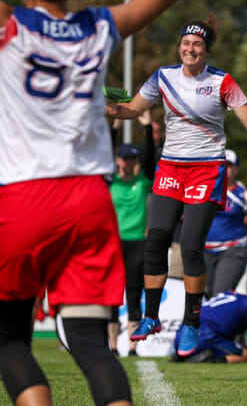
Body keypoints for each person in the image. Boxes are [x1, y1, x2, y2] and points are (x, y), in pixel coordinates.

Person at [0, 0, 238, 405]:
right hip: (89, 202)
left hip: (24, 200)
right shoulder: (99, 25)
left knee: (8, 338)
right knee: (92, 343)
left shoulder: (8, 26)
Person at [111, 15, 247, 360]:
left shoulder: (222, 82)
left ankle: (191, 321)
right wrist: (93, 104)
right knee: (156, 239)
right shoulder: (163, 77)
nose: (190, 49)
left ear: (205, 50)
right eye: (186, 43)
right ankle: (151, 318)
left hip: (206, 170)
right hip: (170, 166)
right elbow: (129, 110)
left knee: (190, 246)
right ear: (180, 47)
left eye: (197, 45)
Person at [108, 132, 155, 356]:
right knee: (112, 296)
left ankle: (133, 347)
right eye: (125, 159)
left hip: (137, 242)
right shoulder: (111, 182)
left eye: (133, 159)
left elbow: (150, 158)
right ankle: (114, 347)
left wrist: (146, 128)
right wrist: (115, 127)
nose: (129, 163)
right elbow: (106, 150)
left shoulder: (143, 182)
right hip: (114, 244)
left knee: (134, 294)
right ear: (118, 160)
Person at [204, 149, 247, 298]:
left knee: (220, 296)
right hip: (205, 251)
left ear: (237, 168)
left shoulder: (244, 194)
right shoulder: (206, 189)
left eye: (229, 165)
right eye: (221, 164)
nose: (225, 168)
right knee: (203, 297)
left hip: (233, 249)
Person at [169, 291, 247, 364]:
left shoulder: (232, 296)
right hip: (206, 333)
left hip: (182, 335)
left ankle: (182, 356)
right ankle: (207, 360)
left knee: (220, 344)